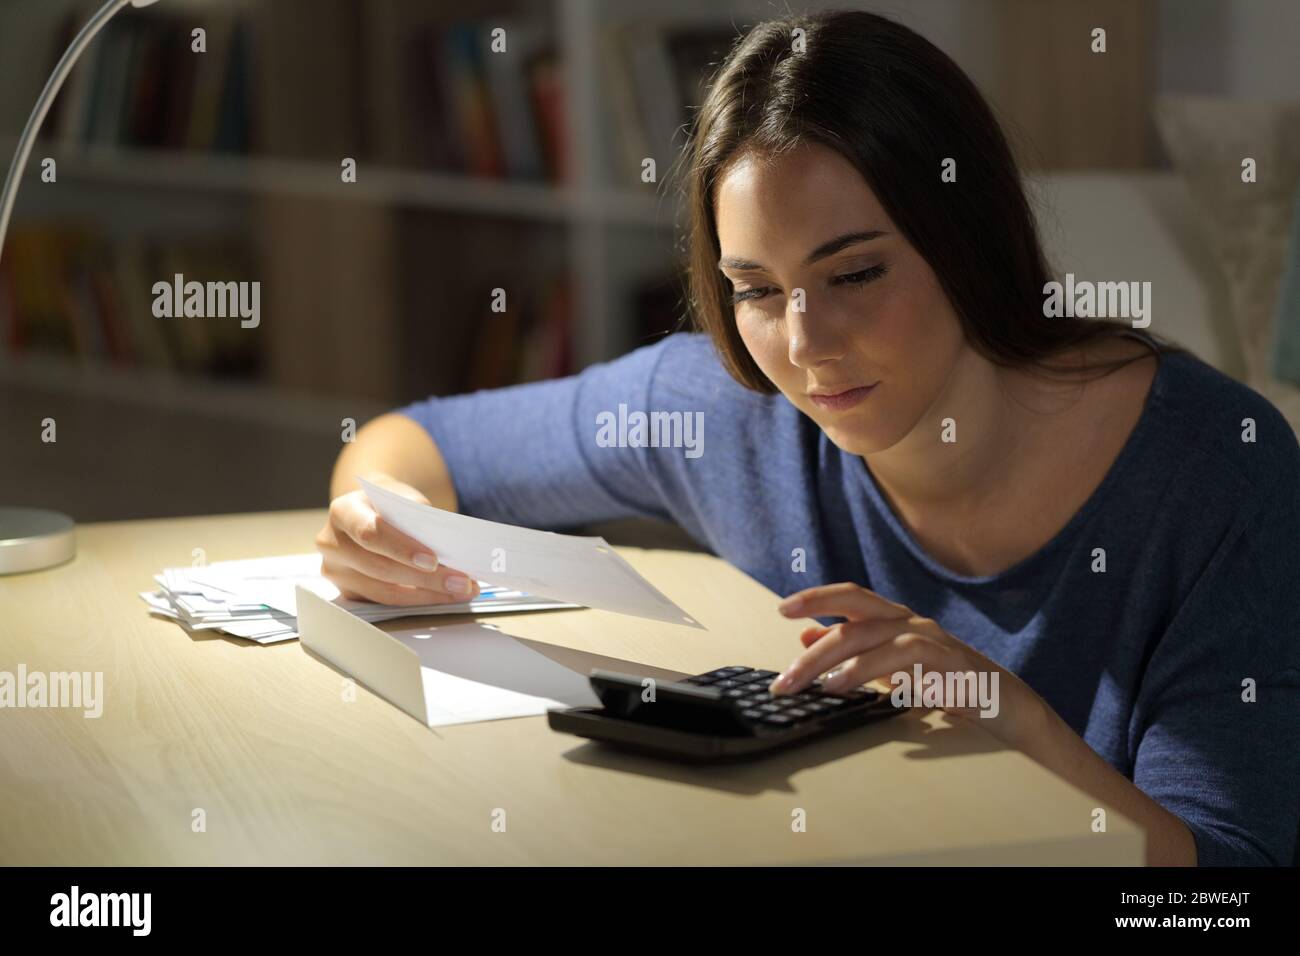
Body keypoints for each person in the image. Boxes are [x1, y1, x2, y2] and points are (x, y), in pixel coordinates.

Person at [316, 10, 1300, 866]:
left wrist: (1011, 718)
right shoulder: (721, 408)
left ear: (969, 241)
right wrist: (382, 524)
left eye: (856, 273)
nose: (804, 344)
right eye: (754, 288)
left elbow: (1219, 880)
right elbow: (419, 442)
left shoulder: (1216, 465)